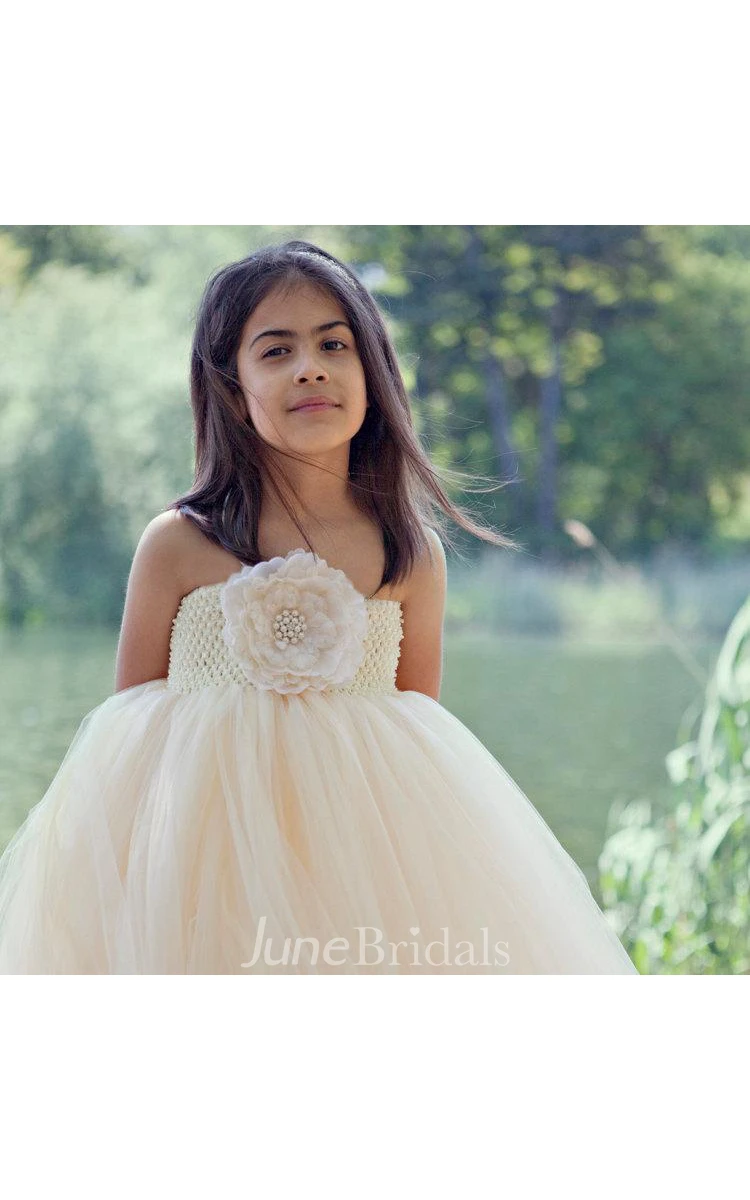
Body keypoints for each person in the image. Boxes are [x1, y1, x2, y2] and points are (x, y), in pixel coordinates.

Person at [0, 239, 638, 974]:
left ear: (372, 375)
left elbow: (415, 727)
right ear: (232, 390)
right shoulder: (179, 543)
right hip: (200, 869)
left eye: (334, 344)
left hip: (356, 864)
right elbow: (128, 732)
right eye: (276, 351)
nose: (310, 367)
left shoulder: (410, 555)